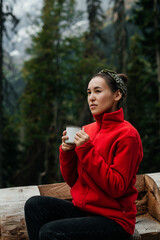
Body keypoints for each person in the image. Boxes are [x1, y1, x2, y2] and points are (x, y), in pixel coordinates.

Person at [24, 69, 143, 240]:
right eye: (88, 93)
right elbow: (74, 181)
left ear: (117, 95)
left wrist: (87, 150)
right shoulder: (87, 130)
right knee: (34, 205)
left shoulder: (127, 135)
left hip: (114, 220)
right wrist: (67, 153)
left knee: (50, 232)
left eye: (98, 91)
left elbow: (116, 188)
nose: (91, 98)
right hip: (85, 210)